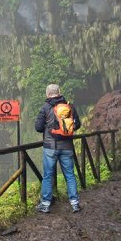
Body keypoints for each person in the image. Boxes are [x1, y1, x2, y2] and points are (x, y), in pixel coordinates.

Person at [34, 83, 81, 213]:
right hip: (67, 147)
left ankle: (45, 204)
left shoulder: (45, 108)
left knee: (48, 176)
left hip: (50, 147)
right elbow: (77, 124)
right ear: (59, 92)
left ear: (47, 94)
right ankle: (75, 203)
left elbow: (38, 127)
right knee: (70, 175)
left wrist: (50, 128)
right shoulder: (69, 106)